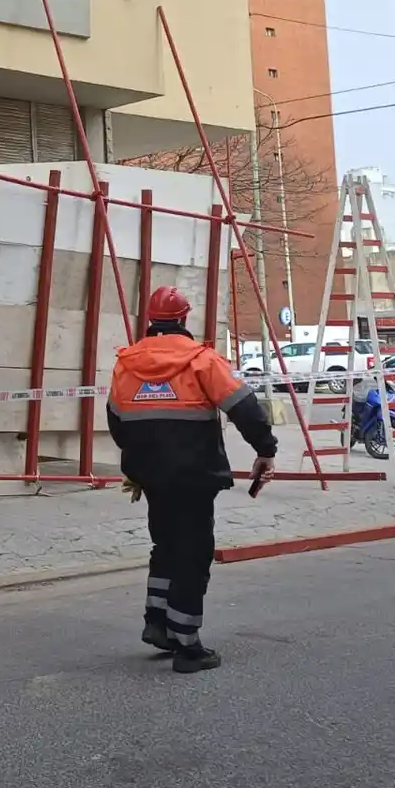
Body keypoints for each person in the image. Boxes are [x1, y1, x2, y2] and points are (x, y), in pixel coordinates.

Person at [106, 285, 277, 673]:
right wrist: (265, 450)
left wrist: (139, 465)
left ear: (150, 320)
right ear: (183, 319)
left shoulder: (126, 363)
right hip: (195, 475)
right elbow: (245, 409)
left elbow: (116, 422)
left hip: (152, 477)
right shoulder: (202, 360)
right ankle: (187, 646)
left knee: (164, 545)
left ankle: (158, 623)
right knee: (193, 554)